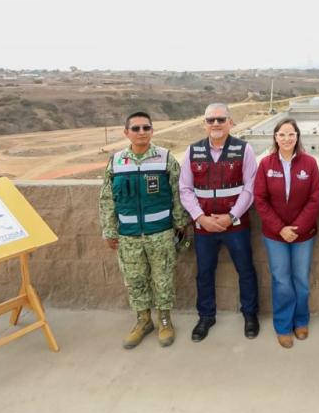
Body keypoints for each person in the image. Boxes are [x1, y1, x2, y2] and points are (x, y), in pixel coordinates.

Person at [100, 111, 190, 349]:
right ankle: (142, 320)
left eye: (146, 128)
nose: (141, 132)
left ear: (152, 131)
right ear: (126, 132)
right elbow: (107, 199)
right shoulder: (117, 161)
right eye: (136, 128)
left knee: (163, 280)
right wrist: (109, 230)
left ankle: (164, 320)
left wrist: (181, 224)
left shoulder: (165, 158)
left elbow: (177, 194)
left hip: (160, 234)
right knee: (135, 280)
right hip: (128, 236)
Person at [179, 103, 260, 342]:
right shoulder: (192, 151)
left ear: (230, 123)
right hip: (203, 226)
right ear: (204, 123)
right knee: (204, 272)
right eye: (211, 120)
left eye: (221, 119)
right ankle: (206, 316)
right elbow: (184, 189)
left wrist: (231, 216)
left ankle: (250, 314)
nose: (216, 124)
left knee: (245, 270)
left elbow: (250, 188)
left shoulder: (244, 149)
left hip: (236, 224)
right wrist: (200, 217)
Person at [254, 118, 319, 349]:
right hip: (275, 235)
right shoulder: (265, 164)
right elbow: (260, 200)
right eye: (281, 135)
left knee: (301, 280)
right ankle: (283, 326)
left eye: (290, 134)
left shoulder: (310, 163)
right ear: (275, 137)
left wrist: (298, 228)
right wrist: (280, 228)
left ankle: (301, 320)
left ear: (297, 136)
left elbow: (315, 199)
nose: (286, 139)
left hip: (303, 234)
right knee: (282, 280)